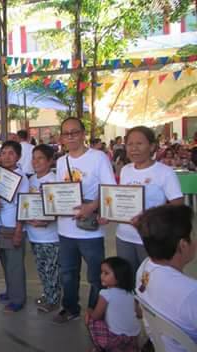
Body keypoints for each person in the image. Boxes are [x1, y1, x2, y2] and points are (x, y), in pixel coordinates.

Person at [54, 117, 116, 324]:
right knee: (68, 274)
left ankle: (94, 311)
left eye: (74, 132)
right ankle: (70, 308)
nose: (70, 137)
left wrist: (93, 206)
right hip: (65, 230)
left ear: (83, 134)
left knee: (96, 276)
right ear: (62, 138)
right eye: (66, 133)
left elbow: (109, 190)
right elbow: (58, 192)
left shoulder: (98, 158)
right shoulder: (61, 161)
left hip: (90, 231)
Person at [111, 126, 183, 275]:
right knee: (127, 281)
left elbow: (178, 204)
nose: (134, 149)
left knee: (150, 283)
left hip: (151, 239)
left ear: (151, 146)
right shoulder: (126, 170)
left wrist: (148, 217)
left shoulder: (165, 172)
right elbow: (121, 198)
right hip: (124, 237)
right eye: (130, 144)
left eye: (139, 144)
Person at [136, 205, 197, 352]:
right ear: (183, 245)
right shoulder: (189, 294)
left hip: (165, 351)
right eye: (194, 235)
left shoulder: (143, 269)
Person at [0, 140, 30, 313]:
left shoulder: (21, 178)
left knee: (15, 265)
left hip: (12, 226)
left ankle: (18, 299)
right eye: (4, 152)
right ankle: (10, 291)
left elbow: (23, 205)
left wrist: (18, 231)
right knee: (6, 263)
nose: (6, 156)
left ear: (18, 157)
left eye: (11, 153)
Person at [25, 145, 60, 313]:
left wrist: (48, 219)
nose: (35, 161)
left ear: (50, 161)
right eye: (34, 158)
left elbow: (60, 207)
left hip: (50, 236)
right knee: (41, 269)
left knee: (51, 269)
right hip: (34, 235)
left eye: (40, 158)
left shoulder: (54, 180)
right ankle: (48, 294)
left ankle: (54, 300)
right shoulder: (31, 180)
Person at [85, 257, 141, 352]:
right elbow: (140, 314)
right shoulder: (131, 294)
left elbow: (96, 315)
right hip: (134, 337)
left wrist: (89, 311)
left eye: (106, 273)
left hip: (116, 339)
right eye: (101, 272)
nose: (101, 276)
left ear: (119, 278)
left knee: (90, 319)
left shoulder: (106, 294)